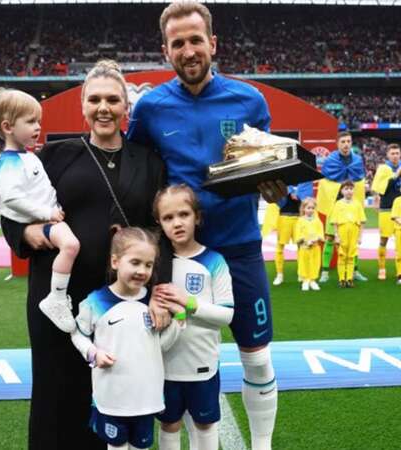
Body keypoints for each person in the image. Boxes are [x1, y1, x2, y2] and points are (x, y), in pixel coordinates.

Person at [126, 3, 281, 449]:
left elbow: (271, 172)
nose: (188, 50)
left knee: (256, 356)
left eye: (196, 40)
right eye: (179, 43)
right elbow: (136, 176)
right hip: (180, 257)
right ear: (165, 51)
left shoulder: (250, 101)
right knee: (174, 362)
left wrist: (276, 191)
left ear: (212, 43)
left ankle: (263, 445)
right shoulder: (151, 108)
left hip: (239, 249)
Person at [1, 60, 171, 450]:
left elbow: (159, 232)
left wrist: (158, 292)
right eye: (94, 99)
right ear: (83, 106)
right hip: (57, 301)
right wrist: (37, 232)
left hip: (122, 304)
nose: (104, 107)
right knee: (55, 394)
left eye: (113, 99)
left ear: (127, 106)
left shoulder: (149, 162)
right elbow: (13, 217)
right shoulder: (53, 157)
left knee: (114, 393)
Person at [69, 227, 183, 450]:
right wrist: (93, 353)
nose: (142, 270)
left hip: (145, 397)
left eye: (148, 265)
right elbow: (77, 333)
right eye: (135, 262)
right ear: (115, 262)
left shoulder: (154, 303)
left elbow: (160, 346)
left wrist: (178, 322)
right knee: (117, 447)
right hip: (112, 397)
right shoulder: (96, 301)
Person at [0, 87, 80, 332]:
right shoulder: (8, 161)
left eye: (38, 121)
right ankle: (57, 298)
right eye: (30, 122)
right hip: (43, 223)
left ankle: (58, 296)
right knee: (70, 245)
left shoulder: (25, 156)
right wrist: (45, 213)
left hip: (48, 220)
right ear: (8, 127)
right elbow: (10, 198)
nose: (38, 127)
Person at [150, 185, 235, 450]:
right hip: (164, 366)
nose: (177, 223)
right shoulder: (153, 262)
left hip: (202, 366)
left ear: (197, 217)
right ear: (159, 223)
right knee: (169, 424)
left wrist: (187, 303)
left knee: (205, 424)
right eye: (168, 218)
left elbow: (226, 315)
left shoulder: (214, 261)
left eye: (183, 214)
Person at [316, 132, 368, 283]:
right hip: (335, 207)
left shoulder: (357, 161)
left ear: (351, 143)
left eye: (348, 141)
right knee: (330, 238)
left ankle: (355, 270)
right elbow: (325, 183)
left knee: (352, 241)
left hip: (352, 208)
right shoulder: (330, 161)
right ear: (337, 143)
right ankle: (325, 272)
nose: (346, 144)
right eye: (343, 141)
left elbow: (359, 183)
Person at [272, 182, 313, 286]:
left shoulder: (306, 183)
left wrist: (298, 195)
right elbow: (276, 199)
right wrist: (289, 192)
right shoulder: (282, 183)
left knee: (301, 246)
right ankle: (279, 274)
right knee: (280, 246)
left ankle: (301, 273)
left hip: (299, 219)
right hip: (284, 217)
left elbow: (309, 202)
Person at [370, 143, 401, 281]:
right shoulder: (383, 168)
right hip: (386, 208)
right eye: (392, 153)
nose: (395, 156)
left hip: (399, 209)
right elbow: (381, 188)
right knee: (384, 239)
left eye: (397, 153)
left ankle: (399, 271)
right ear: (387, 155)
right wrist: (396, 175)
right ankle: (382, 268)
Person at [329, 180, 366, 288]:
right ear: (341, 191)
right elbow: (335, 221)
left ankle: (349, 278)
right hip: (342, 231)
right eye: (346, 189)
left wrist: (360, 236)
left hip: (354, 232)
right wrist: (336, 235)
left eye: (351, 189)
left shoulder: (357, 204)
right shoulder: (338, 204)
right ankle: (341, 279)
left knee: (351, 256)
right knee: (342, 256)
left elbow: (362, 221)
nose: (349, 191)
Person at [293, 197, 325, 291]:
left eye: (312, 208)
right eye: (308, 208)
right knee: (304, 263)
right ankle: (305, 280)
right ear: (303, 209)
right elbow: (298, 234)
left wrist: (317, 239)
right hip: (304, 247)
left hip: (315, 247)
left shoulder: (317, 220)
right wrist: (305, 241)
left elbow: (320, 233)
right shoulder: (300, 220)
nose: (310, 210)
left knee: (315, 263)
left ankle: (313, 280)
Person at [391, 196, 401, 285]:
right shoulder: (397, 200)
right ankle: (400, 274)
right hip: (399, 230)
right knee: (400, 253)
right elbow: (395, 216)